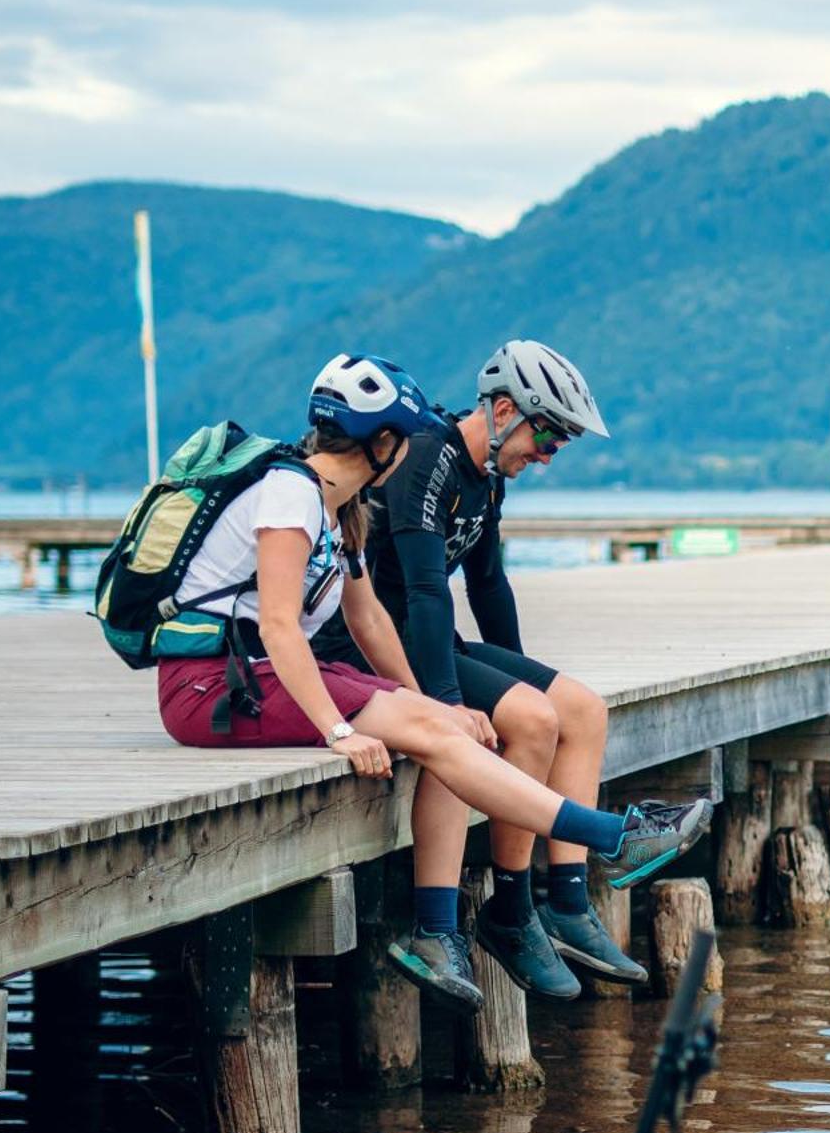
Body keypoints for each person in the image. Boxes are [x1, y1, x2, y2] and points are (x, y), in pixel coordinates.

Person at [157, 352, 712, 1011]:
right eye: (550, 438)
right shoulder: (291, 494)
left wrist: (428, 701)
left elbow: (367, 617)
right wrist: (342, 729)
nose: (415, 449)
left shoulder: (342, 508)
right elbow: (281, 626)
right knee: (444, 733)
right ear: (385, 442)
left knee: (459, 724)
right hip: (215, 687)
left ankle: (573, 868)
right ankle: (609, 840)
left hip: (270, 674)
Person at [316, 339, 643, 1003]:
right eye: (546, 437)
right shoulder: (428, 462)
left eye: (559, 446)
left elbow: (489, 585)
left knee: (579, 709)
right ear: (501, 410)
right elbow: (427, 591)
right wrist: (443, 705)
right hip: (374, 651)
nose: (547, 457)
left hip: (431, 638)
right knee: (527, 720)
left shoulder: (484, 474)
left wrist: (523, 673)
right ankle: (508, 911)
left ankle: (567, 905)